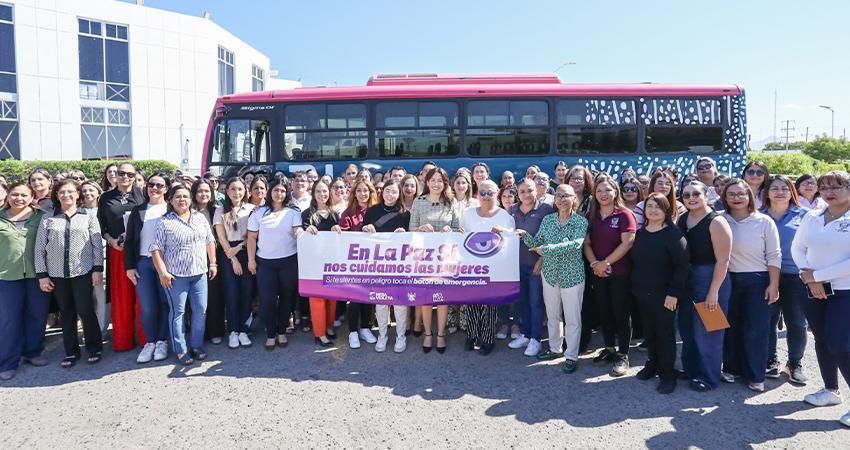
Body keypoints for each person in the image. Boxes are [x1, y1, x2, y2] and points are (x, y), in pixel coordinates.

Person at [792, 171, 850, 427]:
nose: (829, 191)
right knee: (823, 340)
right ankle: (830, 391)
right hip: (812, 287)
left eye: (837, 186)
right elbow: (797, 246)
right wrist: (810, 277)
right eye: (824, 186)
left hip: (845, 290)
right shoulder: (812, 216)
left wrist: (817, 276)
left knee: (840, 343)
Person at [35, 179, 104, 368]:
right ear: (56, 195)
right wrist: (42, 275)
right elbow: (40, 248)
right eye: (62, 192)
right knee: (66, 312)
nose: (66, 195)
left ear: (78, 194)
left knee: (86, 310)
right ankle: (71, 352)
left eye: (70, 191)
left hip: (82, 271)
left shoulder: (88, 217)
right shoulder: (48, 218)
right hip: (57, 274)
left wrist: (98, 270)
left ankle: (94, 347)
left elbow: (97, 245)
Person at [519, 184, 587, 372]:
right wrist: (524, 235)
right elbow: (537, 242)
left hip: (571, 276)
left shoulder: (580, 222)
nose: (561, 199)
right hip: (549, 274)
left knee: (572, 319)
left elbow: (575, 245)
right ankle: (555, 348)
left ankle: (571, 356)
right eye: (558, 195)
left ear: (574, 199)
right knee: (553, 316)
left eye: (566, 195)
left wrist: (547, 250)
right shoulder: (548, 220)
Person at [720, 179, 781, 392]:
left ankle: (755, 374)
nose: (736, 198)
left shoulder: (764, 221)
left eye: (741, 194)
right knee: (730, 326)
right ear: (724, 198)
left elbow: (774, 255)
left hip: (758, 280)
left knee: (756, 329)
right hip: (727, 280)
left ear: (749, 196)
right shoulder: (720, 220)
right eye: (731, 194)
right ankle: (731, 368)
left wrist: (774, 284)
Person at [150, 184, 217, 365]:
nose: (182, 200)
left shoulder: (199, 218)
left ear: (191, 199)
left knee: (200, 311)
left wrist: (213, 263)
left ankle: (196, 345)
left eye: (185, 196)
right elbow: (155, 249)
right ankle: (180, 349)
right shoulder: (164, 222)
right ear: (171, 200)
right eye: (177, 196)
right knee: (178, 312)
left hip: (200, 274)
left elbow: (210, 241)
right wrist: (163, 272)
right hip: (176, 276)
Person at [630, 193, 689, 393]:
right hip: (642, 293)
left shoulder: (674, 235)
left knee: (665, 335)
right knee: (650, 333)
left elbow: (682, 268)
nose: (653, 210)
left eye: (658, 206)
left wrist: (674, 294)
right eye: (649, 206)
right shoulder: (641, 233)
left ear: (666, 210)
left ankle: (667, 373)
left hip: (665, 296)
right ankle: (652, 364)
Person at [677, 180, 733, 391]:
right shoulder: (683, 219)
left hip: (711, 278)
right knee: (688, 328)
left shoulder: (717, 222)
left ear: (706, 196)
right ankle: (692, 370)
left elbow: (723, 261)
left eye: (695, 194)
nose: (691, 198)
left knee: (709, 331)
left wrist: (713, 292)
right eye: (686, 195)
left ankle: (709, 377)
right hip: (688, 279)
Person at [584, 176, 637, 377]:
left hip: (620, 273)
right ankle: (609, 348)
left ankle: (623, 353)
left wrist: (605, 263)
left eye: (607, 190)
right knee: (604, 311)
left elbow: (628, 243)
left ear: (615, 191)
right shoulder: (592, 215)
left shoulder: (625, 215)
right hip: (598, 272)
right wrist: (594, 264)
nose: (603, 194)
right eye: (599, 191)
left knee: (621, 312)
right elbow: (587, 244)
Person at [762, 175, 810, 384]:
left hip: (796, 276)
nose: (779, 192)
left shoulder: (806, 215)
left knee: (797, 322)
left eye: (784, 188)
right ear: (767, 193)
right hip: (766, 274)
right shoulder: (758, 215)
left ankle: (794, 363)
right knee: (768, 320)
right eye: (774, 188)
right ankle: (770, 360)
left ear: (792, 191)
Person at [247, 177, 303, 351]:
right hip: (265, 264)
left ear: (287, 193)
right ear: (270, 191)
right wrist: (251, 261)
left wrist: (301, 232)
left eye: (283, 191)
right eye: (276, 190)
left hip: (289, 262)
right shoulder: (258, 213)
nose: (279, 194)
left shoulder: (293, 213)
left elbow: (297, 231)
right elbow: (251, 238)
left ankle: (281, 332)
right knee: (268, 300)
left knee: (287, 299)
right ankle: (271, 334)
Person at [0, 183, 49, 381]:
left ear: (31, 197)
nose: (19, 198)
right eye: (15, 194)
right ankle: (8, 362)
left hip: (37, 274)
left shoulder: (41, 217)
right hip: (7, 275)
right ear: (8, 196)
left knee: (37, 314)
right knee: (9, 320)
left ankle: (32, 352)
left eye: (23, 195)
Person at [409, 167, 461, 353]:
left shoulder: (452, 202)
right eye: (433, 180)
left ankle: (440, 335)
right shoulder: (419, 201)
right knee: (425, 297)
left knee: (442, 297)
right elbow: (411, 230)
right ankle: (428, 335)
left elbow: (459, 229)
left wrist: (451, 231)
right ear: (427, 182)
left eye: (440, 180)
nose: (436, 184)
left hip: (445, 257)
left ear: (445, 183)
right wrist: (421, 228)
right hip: (423, 258)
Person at [460, 180, 515, 355]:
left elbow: (512, 241)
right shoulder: (467, 214)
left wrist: (504, 232)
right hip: (472, 267)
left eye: (489, 193)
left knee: (489, 306)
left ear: (496, 193)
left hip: (494, 269)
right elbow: (461, 237)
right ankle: (472, 335)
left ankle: (487, 338)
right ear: (477, 194)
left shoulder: (505, 217)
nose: (485, 196)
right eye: (482, 193)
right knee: (472, 303)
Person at [123, 173, 172, 363]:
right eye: (151, 184)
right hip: (143, 263)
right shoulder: (138, 210)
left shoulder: (171, 208)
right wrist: (129, 266)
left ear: (166, 189)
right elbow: (130, 241)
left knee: (165, 304)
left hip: (167, 264)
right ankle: (149, 342)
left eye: (160, 185)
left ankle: (162, 341)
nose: (155, 188)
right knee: (147, 306)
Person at [98, 162, 146, 351]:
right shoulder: (106, 198)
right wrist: (111, 241)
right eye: (121, 173)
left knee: (143, 297)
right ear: (115, 175)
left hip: (140, 250)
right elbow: (101, 227)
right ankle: (123, 340)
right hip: (117, 252)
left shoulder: (142, 196)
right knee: (122, 297)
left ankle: (145, 339)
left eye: (129, 174)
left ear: (135, 177)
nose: (125, 177)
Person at [362, 180, 411, 353]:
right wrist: (366, 228)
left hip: (398, 265)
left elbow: (411, 238)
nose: (390, 195)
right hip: (377, 264)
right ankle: (382, 335)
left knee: (399, 302)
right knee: (381, 301)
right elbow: (362, 234)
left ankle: (400, 335)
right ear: (382, 192)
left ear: (399, 195)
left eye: (394, 192)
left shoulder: (405, 214)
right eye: (387, 191)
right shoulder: (372, 211)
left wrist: (404, 234)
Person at [508, 179, 554, 357]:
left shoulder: (546, 210)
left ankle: (536, 339)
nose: (526, 195)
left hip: (536, 265)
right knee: (523, 301)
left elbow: (550, 238)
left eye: (530, 190)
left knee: (536, 302)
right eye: (522, 191)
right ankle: (526, 334)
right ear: (518, 193)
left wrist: (541, 261)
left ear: (537, 190)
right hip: (517, 264)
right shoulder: (512, 210)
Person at [335, 180, 379, 349]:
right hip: (354, 263)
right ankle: (353, 331)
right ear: (354, 194)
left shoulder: (376, 210)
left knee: (368, 297)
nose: (362, 194)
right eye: (359, 190)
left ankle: (365, 328)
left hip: (373, 262)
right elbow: (344, 236)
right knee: (354, 298)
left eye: (366, 190)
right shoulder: (348, 213)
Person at [213, 177, 256, 349]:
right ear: (227, 191)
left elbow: (253, 236)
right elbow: (221, 236)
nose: (236, 193)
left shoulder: (252, 209)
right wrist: (232, 258)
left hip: (247, 250)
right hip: (227, 253)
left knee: (247, 292)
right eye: (232, 189)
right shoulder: (220, 210)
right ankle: (232, 331)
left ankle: (244, 329)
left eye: (240, 189)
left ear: (245, 191)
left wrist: (238, 249)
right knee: (231, 294)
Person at [302, 180, 341, 347]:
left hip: (332, 263)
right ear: (313, 193)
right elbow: (300, 234)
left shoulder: (335, 214)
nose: (322, 194)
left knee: (332, 299)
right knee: (317, 299)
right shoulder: (306, 214)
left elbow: (342, 238)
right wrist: (306, 230)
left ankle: (329, 326)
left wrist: (338, 230)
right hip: (313, 264)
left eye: (325, 191)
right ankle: (319, 333)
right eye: (318, 191)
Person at [192, 178, 224, 345]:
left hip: (214, 256)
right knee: (196, 298)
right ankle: (199, 333)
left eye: (206, 191)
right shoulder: (187, 209)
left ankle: (216, 330)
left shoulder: (217, 210)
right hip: (193, 258)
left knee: (214, 296)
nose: (203, 194)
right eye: (199, 191)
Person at [80, 180, 108, 332]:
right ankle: (88, 330)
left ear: (98, 192)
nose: (88, 193)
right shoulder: (76, 211)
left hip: (101, 257)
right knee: (85, 298)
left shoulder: (104, 210)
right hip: (81, 260)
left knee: (100, 295)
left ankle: (101, 330)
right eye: (84, 191)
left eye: (91, 190)